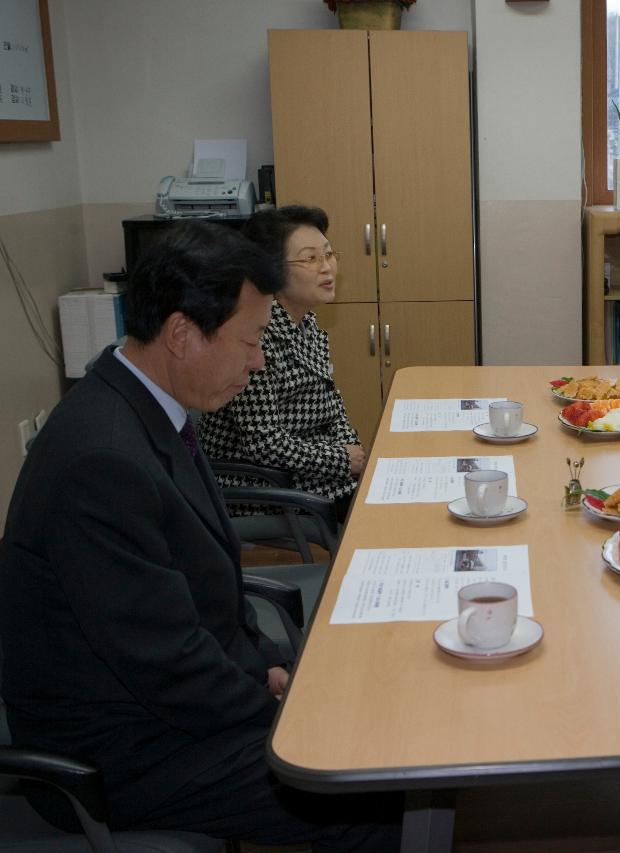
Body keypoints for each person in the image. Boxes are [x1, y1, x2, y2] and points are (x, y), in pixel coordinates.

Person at [0, 222, 400, 849]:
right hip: (128, 749)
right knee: (371, 794)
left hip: (176, 704)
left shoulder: (147, 408)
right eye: (249, 340)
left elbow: (202, 586)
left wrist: (266, 661)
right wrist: (278, 710)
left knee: (368, 714)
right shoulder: (100, 461)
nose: (259, 359)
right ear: (183, 334)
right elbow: (164, 664)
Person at [198, 205, 364, 519]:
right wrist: (342, 460)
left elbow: (332, 402)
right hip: (255, 477)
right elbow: (264, 444)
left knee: (375, 485)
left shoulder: (308, 322)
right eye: (310, 258)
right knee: (368, 502)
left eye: (328, 255)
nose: (327, 268)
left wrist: (349, 446)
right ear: (271, 270)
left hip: (306, 462)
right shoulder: (255, 336)